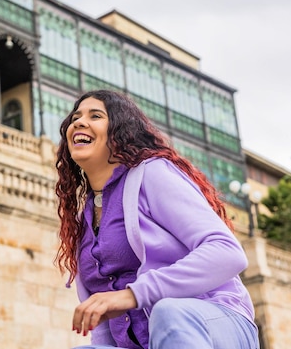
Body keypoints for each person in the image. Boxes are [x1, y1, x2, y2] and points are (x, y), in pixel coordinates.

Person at [55, 90, 259, 349]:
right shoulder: (83, 219)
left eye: (95, 115)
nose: (79, 122)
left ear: (120, 131)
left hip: (214, 321)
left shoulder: (152, 173)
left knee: (168, 312)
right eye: (75, 117)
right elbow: (106, 326)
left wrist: (133, 294)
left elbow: (228, 253)